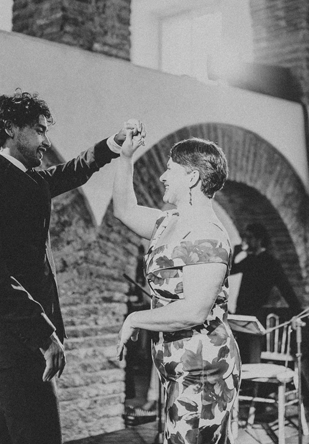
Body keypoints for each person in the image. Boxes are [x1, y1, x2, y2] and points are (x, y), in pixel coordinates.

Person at [0, 90, 139, 444]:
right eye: (39, 130)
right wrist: (44, 335)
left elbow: (75, 169)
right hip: (11, 341)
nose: (46, 140)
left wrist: (115, 143)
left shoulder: (32, 180)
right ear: (11, 129)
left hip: (28, 342)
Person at [114, 133, 241, 443]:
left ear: (192, 177)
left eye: (170, 169)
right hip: (178, 367)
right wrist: (125, 157)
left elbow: (193, 311)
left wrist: (134, 319)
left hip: (202, 370)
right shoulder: (168, 223)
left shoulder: (208, 235)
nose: (162, 176)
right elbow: (124, 210)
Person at [230, 223, 302, 363]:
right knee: (240, 356)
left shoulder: (270, 262)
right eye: (245, 237)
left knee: (252, 357)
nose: (246, 241)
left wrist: (297, 312)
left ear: (259, 239)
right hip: (243, 313)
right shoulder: (250, 260)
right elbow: (229, 271)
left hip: (257, 315)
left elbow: (286, 289)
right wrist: (235, 255)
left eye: (249, 237)